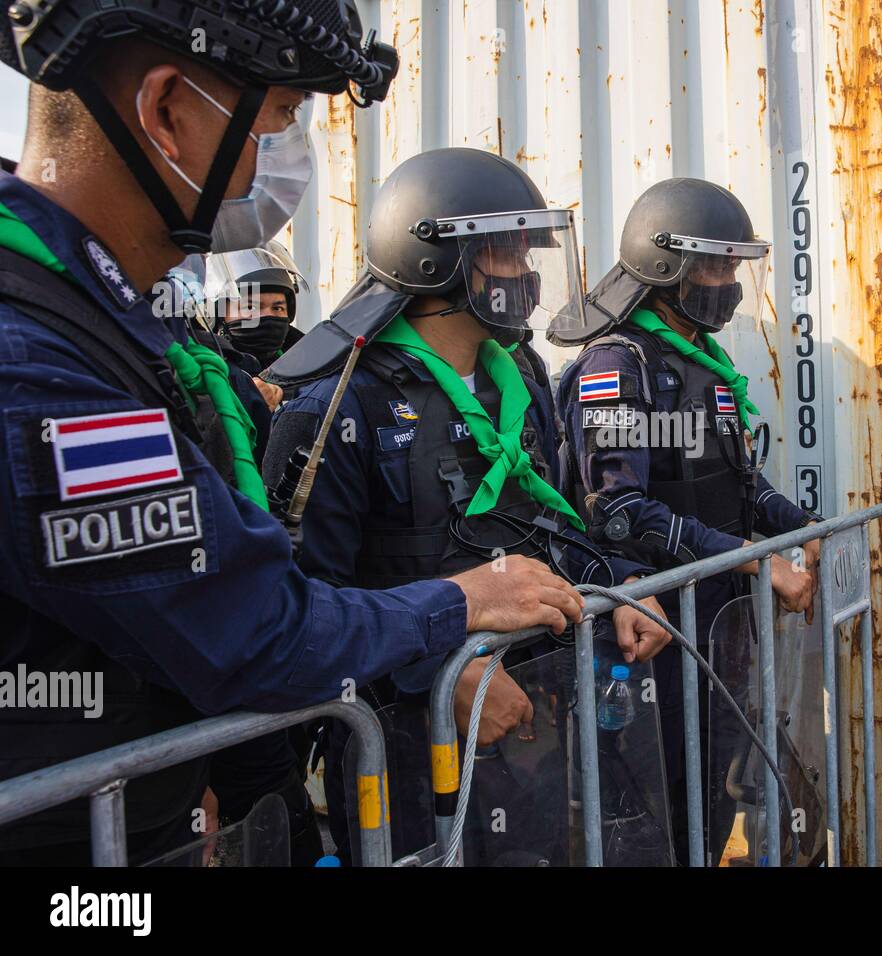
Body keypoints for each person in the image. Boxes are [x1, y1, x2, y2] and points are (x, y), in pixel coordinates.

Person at [0, 2, 580, 866]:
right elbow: (258, 629)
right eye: (279, 116)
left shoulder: (108, 328)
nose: (286, 157)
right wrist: (462, 603)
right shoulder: (36, 362)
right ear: (167, 111)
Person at [262, 147, 672, 864]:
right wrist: (436, 674)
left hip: (528, 716)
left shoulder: (517, 374)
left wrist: (622, 581)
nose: (527, 273)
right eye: (507, 253)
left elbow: (543, 522)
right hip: (400, 742)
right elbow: (304, 605)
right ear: (437, 263)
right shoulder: (336, 401)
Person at [552, 177, 819, 864]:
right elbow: (617, 511)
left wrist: (805, 525)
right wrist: (757, 558)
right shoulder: (616, 366)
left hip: (718, 621)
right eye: (714, 265)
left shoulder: (707, 365)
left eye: (734, 267)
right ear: (665, 264)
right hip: (652, 625)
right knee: (651, 798)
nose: (727, 282)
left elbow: (741, 484)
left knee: (711, 782)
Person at [207, 240, 307, 373]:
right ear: (220, 313)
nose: (267, 316)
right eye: (250, 307)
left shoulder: (312, 363)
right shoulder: (203, 370)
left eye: (277, 308)